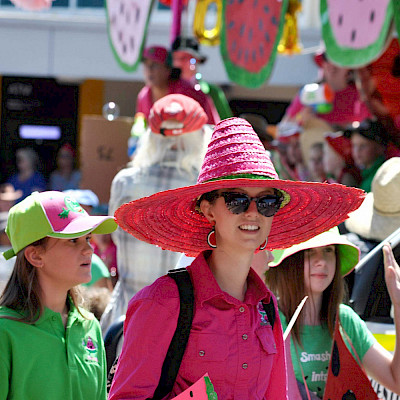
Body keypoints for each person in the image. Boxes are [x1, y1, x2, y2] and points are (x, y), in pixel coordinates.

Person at [108, 117, 365, 399]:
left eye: (267, 202)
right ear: (208, 210)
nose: (253, 212)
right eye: (237, 200)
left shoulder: (267, 309)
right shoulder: (162, 302)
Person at [100, 94, 213, 333]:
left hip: (126, 318)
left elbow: (111, 238)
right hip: (184, 326)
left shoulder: (124, 182)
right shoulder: (204, 188)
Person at [0, 190, 118, 400]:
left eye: (88, 238)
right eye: (73, 240)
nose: (89, 249)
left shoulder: (90, 325)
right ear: (35, 255)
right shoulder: (5, 332)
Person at [266, 227, 400, 398]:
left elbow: (396, 382)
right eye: (309, 252)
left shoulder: (346, 320)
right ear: (290, 261)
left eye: (328, 250)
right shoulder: (269, 321)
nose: (321, 261)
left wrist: (398, 304)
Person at [283, 49, 371, 128]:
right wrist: (300, 119)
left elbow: (368, 127)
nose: (331, 63)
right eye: (326, 58)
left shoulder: (360, 96)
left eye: (338, 59)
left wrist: (336, 128)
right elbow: (283, 128)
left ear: (349, 66)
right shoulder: (308, 92)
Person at [135, 45, 217, 125]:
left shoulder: (187, 91)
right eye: (146, 65)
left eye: (155, 65)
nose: (149, 70)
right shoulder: (143, 96)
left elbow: (207, 126)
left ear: (168, 69)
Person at [171, 35, 229, 121]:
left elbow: (227, 123)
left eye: (185, 58)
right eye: (176, 58)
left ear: (197, 60)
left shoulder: (212, 92)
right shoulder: (166, 89)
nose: (180, 63)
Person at [345, 118, 388, 192]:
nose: (357, 151)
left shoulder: (382, 177)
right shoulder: (366, 174)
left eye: (363, 145)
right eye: (354, 145)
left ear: (380, 147)